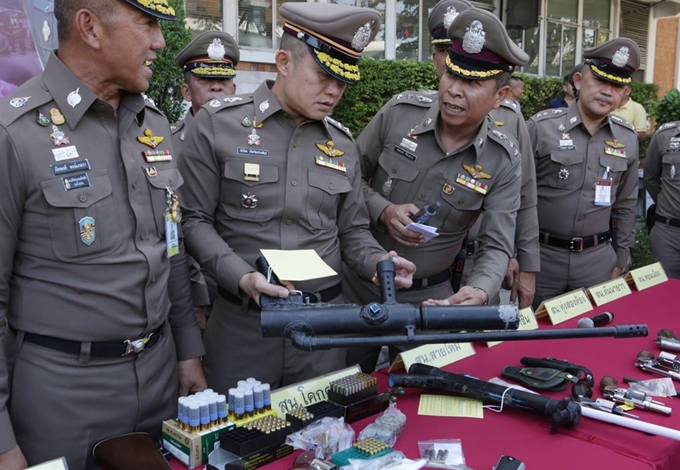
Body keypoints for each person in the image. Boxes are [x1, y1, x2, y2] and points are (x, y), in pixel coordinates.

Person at [0, 0, 206, 467]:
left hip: (159, 381)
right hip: (62, 398)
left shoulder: (151, 124)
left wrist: (187, 353)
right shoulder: (13, 133)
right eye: (147, 24)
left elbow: (170, 248)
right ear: (89, 27)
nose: (159, 42)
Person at [177, 2, 416, 393]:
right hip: (244, 327)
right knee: (237, 443)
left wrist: (379, 261)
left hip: (323, 330)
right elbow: (192, 220)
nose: (334, 91)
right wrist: (241, 278)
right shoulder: (219, 126)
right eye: (323, 75)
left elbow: (352, 230)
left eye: (343, 81)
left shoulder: (342, 144)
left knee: (319, 439)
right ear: (284, 61)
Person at [343, 7, 528, 369]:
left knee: (419, 403)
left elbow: (496, 244)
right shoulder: (400, 114)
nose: (455, 91)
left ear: (500, 95)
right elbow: (344, 180)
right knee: (342, 392)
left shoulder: (503, 159)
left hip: (431, 303)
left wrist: (480, 288)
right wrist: (383, 208)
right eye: (452, 75)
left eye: (473, 83)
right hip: (358, 290)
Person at [426, 0, 538, 309]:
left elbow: (524, 197)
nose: (455, 61)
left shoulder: (510, 120)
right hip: (420, 257)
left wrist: (522, 260)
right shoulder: (408, 113)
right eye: (447, 52)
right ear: (436, 56)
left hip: (479, 256)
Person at [527, 38, 640, 309]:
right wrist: (517, 258)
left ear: (624, 95)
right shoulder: (541, 128)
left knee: (590, 340)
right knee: (530, 340)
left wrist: (622, 255)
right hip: (541, 259)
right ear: (578, 80)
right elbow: (515, 200)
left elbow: (625, 204)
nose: (607, 92)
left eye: (616, 86)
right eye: (600, 81)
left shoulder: (627, 138)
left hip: (597, 263)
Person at [172, 30, 240, 330]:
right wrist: (195, 298)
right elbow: (172, 227)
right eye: (205, 80)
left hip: (244, 286)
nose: (216, 88)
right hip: (188, 291)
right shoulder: (165, 146)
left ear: (234, 88)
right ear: (187, 92)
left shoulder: (255, 145)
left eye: (223, 81)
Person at [643, 122, 680, 279]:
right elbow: (650, 178)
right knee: (663, 295)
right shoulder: (665, 135)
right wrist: (668, 203)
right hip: (668, 233)